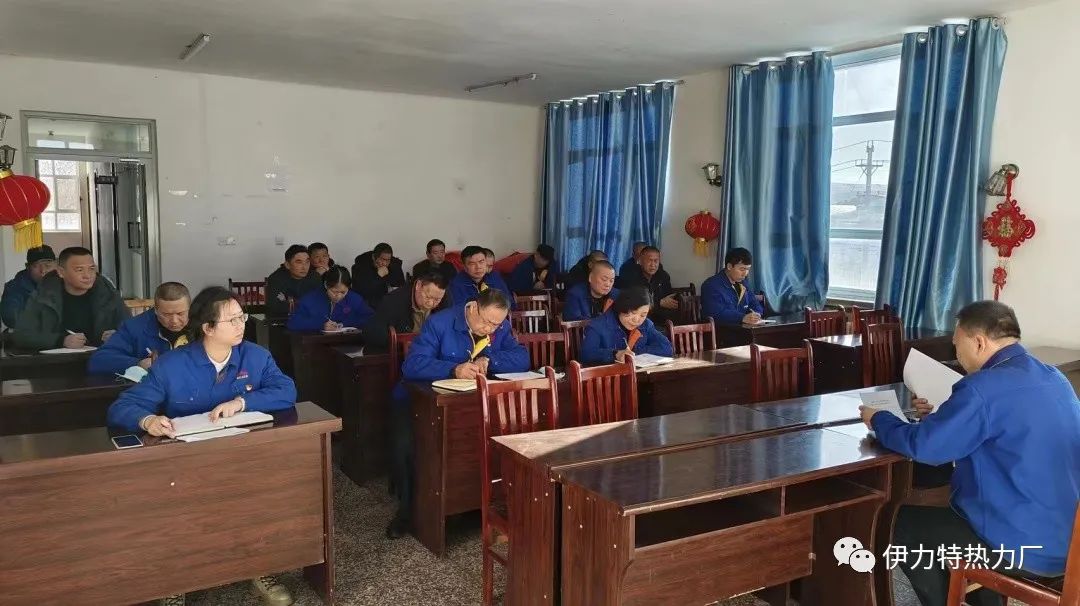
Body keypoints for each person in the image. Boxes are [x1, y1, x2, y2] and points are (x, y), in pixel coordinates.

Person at [858, 301, 1080, 606]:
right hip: (1068, 541)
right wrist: (941, 419)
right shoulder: (1054, 378)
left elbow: (926, 448)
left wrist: (879, 419)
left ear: (979, 342)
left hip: (1022, 546)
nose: (956, 354)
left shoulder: (983, 387)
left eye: (957, 344)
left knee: (901, 523)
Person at [107, 286, 297, 606]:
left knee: (262, 499)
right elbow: (123, 407)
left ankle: (259, 569)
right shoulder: (172, 365)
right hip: (186, 465)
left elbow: (286, 390)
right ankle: (174, 584)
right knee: (175, 516)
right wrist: (147, 420)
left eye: (242, 317)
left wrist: (242, 402)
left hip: (241, 457)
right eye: (231, 320)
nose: (241, 325)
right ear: (208, 328)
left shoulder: (255, 355)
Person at [385, 288, 528, 539]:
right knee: (406, 446)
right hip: (418, 403)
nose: (490, 329)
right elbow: (413, 365)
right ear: (472, 308)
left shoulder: (499, 326)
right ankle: (407, 511)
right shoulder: (440, 323)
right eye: (486, 322)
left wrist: (490, 362)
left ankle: (470, 503)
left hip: (467, 405)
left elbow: (522, 358)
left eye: (496, 325)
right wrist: (453, 369)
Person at [13, 246, 128, 351]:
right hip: (58, 361)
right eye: (79, 270)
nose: (87, 275)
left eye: (91, 269)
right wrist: (61, 340)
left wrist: (118, 336)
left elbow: (130, 329)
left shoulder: (108, 293)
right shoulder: (44, 295)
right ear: (61, 272)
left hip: (102, 357)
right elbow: (22, 336)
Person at [88, 282, 191, 375]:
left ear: (190, 308)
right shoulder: (135, 327)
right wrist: (138, 363)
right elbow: (98, 360)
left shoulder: (199, 325)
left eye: (180, 313)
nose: (174, 321)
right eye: (166, 314)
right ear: (155, 310)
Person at [579, 287, 673, 364]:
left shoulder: (646, 325)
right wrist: (616, 354)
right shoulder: (597, 325)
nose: (636, 320)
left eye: (643, 315)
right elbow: (586, 354)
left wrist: (634, 352)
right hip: (607, 378)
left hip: (639, 376)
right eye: (633, 312)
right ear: (622, 307)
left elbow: (666, 348)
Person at [363, 272, 451, 349]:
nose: (431, 304)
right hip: (400, 353)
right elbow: (373, 334)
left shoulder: (444, 297)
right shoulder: (393, 301)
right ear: (418, 285)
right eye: (428, 297)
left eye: (437, 300)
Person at [286, 266, 373, 332]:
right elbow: (293, 322)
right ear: (326, 285)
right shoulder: (310, 299)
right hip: (316, 344)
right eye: (334, 292)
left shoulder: (354, 298)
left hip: (347, 342)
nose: (338, 296)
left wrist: (343, 323)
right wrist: (321, 325)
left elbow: (371, 318)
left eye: (343, 292)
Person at [701, 247, 765, 325]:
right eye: (742, 269)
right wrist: (742, 317)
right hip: (721, 330)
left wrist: (757, 314)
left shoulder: (743, 283)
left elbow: (754, 303)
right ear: (729, 266)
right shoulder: (711, 285)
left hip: (742, 328)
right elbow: (715, 313)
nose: (745, 274)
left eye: (748, 269)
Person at [616, 246, 678, 324]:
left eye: (656, 261)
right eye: (649, 260)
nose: (653, 265)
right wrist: (659, 303)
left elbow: (668, 299)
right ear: (640, 261)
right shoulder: (631, 276)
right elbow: (635, 304)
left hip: (660, 317)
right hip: (638, 319)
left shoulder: (663, 276)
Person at [1, 245, 56, 329]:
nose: (43, 271)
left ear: (55, 266)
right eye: (36, 266)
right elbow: (11, 317)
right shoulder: (15, 287)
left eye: (48, 266)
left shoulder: (62, 283)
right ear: (27, 267)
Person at [448, 245, 514, 309]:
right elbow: (459, 310)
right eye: (472, 264)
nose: (478, 267)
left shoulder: (494, 277)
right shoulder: (456, 284)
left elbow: (510, 302)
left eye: (481, 262)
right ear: (464, 267)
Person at [265, 244, 320, 317]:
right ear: (287, 265)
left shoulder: (314, 276)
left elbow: (320, 301)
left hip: (309, 318)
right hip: (282, 320)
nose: (304, 267)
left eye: (307, 262)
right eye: (299, 262)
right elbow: (275, 306)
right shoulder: (276, 279)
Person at [352, 242, 405, 308]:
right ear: (373, 257)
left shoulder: (394, 264)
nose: (385, 263)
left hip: (385, 300)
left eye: (388, 260)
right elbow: (361, 291)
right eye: (382, 259)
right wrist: (378, 276)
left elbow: (401, 285)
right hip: (366, 302)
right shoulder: (361, 266)